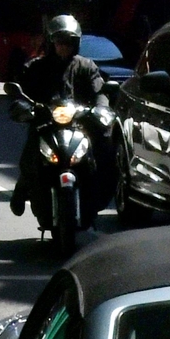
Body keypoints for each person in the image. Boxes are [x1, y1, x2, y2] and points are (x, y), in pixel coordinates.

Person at [11, 15, 108, 219]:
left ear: (76, 44)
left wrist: (101, 109)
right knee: (31, 151)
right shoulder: (36, 67)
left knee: (103, 147)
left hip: (79, 123)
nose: (64, 47)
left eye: (68, 43)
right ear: (51, 43)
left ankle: (104, 190)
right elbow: (23, 93)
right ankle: (22, 187)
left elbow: (100, 92)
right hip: (46, 122)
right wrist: (24, 108)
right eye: (59, 42)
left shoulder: (86, 66)